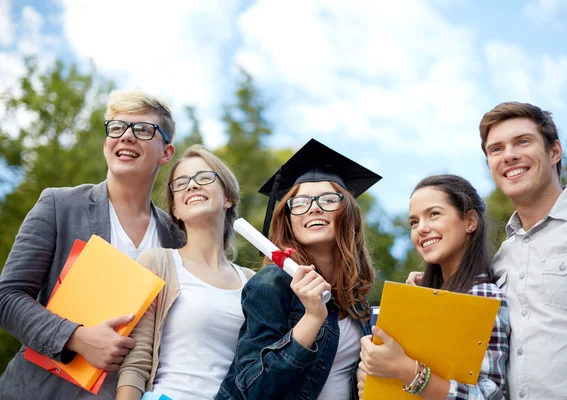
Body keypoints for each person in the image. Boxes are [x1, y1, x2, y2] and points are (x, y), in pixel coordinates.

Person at [0, 90, 185, 400]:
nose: (126, 137)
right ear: (106, 144)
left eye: (142, 129)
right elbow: (6, 298)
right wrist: (77, 338)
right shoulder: (59, 205)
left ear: (166, 153)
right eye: (117, 128)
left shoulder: (177, 237)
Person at [216, 139, 381, 400]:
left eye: (328, 199)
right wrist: (313, 317)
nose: (314, 207)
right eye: (301, 202)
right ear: (289, 220)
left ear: (347, 212)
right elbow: (254, 392)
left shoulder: (357, 303)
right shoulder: (272, 284)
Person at [478, 102, 567, 399]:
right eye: (496, 149)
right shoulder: (501, 258)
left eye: (522, 141)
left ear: (554, 151)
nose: (509, 155)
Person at [115, 144, 254, 400]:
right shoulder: (157, 263)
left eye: (204, 177)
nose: (191, 186)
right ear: (176, 209)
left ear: (228, 197)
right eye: (180, 183)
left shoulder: (253, 283)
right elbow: (136, 362)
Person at [358, 174, 509, 399]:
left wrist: (406, 370)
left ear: (470, 221)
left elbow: (490, 395)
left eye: (434, 214)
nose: (421, 228)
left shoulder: (483, 296)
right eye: (414, 222)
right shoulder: (421, 296)